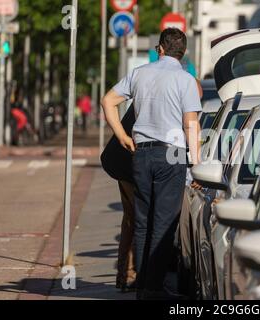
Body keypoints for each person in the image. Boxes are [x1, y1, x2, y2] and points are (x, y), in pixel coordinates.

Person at [101, 28, 202, 300]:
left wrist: (122, 136)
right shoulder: (186, 80)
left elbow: (108, 101)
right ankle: (154, 288)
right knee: (164, 223)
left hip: (141, 154)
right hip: (172, 155)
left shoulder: (139, 74)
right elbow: (190, 124)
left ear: (160, 49)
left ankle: (144, 286)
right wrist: (197, 164)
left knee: (143, 222)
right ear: (183, 53)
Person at [100, 105, 137, 293]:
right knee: (137, 219)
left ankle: (126, 275)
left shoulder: (152, 85)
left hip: (126, 162)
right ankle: (129, 275)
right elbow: (107, 101)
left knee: (131, 220)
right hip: (128, 163)